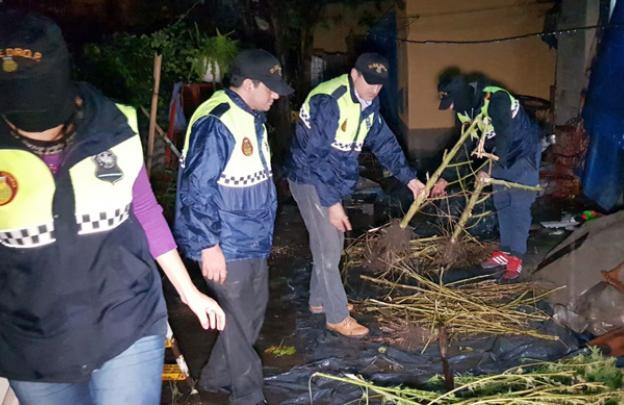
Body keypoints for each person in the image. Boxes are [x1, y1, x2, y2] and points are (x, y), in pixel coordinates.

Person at [0, 10, 225, 405]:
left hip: (127, 320)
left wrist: (189, 292)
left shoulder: (115, 126)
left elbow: (145, 210)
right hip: (32, 343)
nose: (39, 131)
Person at [174, 49, 293, 404]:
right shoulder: (218, 122)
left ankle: (214, 378)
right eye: (270, 88)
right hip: (226, 244)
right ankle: (248, 396)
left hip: (252, 238)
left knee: (251, 315)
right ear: (250, 84)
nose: (275, 96)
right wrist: (208, 246)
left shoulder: (251, 116)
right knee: (239, 325)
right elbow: (196, 191)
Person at [286, 52, 425, 338]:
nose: (374, 89)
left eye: (380, 84)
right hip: (309, 178)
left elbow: (384, 142)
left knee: (328, 244)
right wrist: (332, 203)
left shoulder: (368, 104)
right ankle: (337, 317)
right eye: (369, 82)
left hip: (329, 180)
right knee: (329, 247)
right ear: (354, 74)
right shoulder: (330, 101)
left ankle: (320, 300)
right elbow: (315, 159)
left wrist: (409, 178)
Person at [431, 74, 542, 281]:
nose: (451, 108)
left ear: (462, 95)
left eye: (452, 102)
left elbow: (504, 139)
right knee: (502, 203)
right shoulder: (466, 110)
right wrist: (445, 178)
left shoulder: (497, 100)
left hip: (523, 152)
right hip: (498, 156)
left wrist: (488, 169)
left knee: (518, 204)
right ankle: (506, 251)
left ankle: (516, 256)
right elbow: (464, 144)